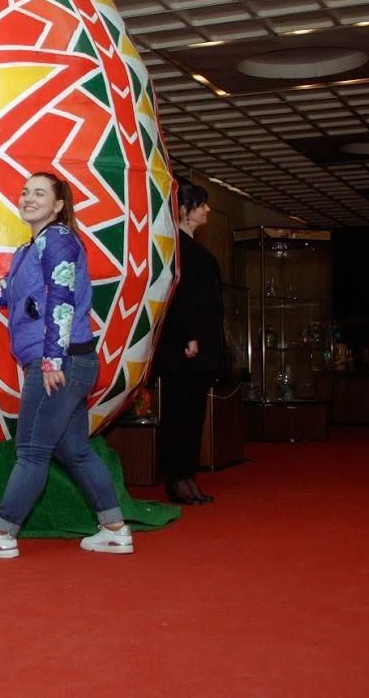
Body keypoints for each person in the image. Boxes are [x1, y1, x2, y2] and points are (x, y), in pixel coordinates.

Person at [0, 172, 133, 558]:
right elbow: (5, 296)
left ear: (59, 205)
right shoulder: (29, 250)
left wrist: (51, 361)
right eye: (26, 192)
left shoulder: (59, 240)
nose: (28, 198)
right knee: (76, 451)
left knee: (31, 451)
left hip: (60, 364)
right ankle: (114, 529)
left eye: (40, 193)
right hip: (70, 362)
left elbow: (61, 299)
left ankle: (1, 533)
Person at [154, 181, 224, 505]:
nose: (207, 210)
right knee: (177, 413)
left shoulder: (196, 250)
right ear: (184, 209)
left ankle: (187, 475)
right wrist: (189, 336)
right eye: (201, 204)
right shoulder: (173, 248)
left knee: (194, 415)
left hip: (201, 347)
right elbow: (175, 297)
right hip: (181, 347)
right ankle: (175, 478)